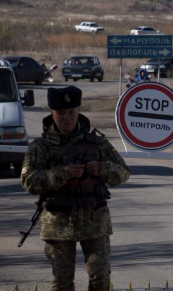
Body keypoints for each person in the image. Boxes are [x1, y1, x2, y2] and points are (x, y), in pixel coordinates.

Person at [21, 86, 130, 291]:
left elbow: (123, 172)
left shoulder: (97, 144)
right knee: (62, 283)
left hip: (94, 221)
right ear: (51, 112)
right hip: (58, 224)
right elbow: (28, 180)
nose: (67, 118)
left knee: (100, 278)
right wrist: (63, 173)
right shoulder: (41, 147)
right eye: (61, 113)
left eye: (71, 112)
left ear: (78, 110)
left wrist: (102, 169)